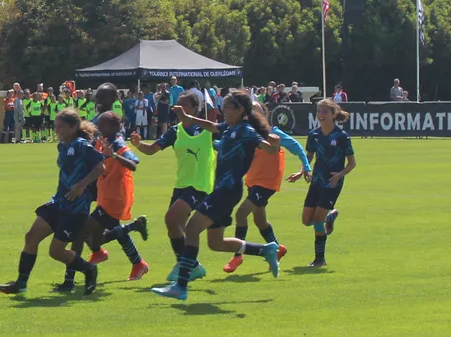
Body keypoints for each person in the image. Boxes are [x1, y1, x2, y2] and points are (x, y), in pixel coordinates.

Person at [152, 92, 282, 301]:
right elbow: (211, 126)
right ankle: (265, 250)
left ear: (240, 110)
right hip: (222, 189)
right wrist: (188, 117)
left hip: (227, 190)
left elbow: (270, 150)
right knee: (216, 242)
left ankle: (181, 285)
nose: (224, 110)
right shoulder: (229, 128)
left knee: (192, 228)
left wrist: (275, 143)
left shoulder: (247, 131)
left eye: (228, 107)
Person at [0, 109, 103, 296]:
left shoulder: (81, 145)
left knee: (56, 252)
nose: (57, 130)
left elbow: (100, 167)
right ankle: (21, 283)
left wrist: (81, 185)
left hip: (75, 208)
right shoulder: (62, 146)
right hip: (58, 203)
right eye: (56, 126)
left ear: (73, 127)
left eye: (60, 127)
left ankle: (88, 269)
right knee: (31, 237)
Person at [129, 92, 213, 282]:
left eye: (183, 106)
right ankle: (193, 266)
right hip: (181, 185)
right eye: (177, 105)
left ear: (194, 108)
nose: (178, 109)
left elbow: (221, 140)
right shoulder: (175, 131)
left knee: (171, 219)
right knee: (175, 228)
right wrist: (138, 144)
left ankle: (186, 267)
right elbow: (152, 149)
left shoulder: (206, 129)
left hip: (199, 186)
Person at [223, 102, 311, 273]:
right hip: (253, 181)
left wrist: (306, 168)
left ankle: (237, 255)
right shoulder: (247, 133)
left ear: (264, 113)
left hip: (267, 183)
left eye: (256, 111)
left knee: (241, 213)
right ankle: (277, 249)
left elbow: (297, 147)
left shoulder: (274, 133)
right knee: (260, 220)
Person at [75, 112, 150, 284]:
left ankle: (80, 270)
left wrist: (114, 155)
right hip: (105, 195)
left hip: (115, 198)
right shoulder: (103, 141)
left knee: (83, 231)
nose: (98, 126)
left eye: (101, 124)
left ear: (111, 127)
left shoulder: (118, 143)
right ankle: (137, 262)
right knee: (97, 236)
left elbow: (134, 163)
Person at [285, 99, 355, 267]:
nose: (320, 115)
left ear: (333, 114)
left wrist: (340, 174)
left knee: (317, 220)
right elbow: (308, 157)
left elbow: (352, 163)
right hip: (316, 181)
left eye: (324, 112)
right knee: (306, 220)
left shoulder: (342, 137)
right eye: (319, 111)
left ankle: (319, 259)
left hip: (332, 183)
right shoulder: (314, 134)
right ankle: (329, 217)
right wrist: (302, 171)